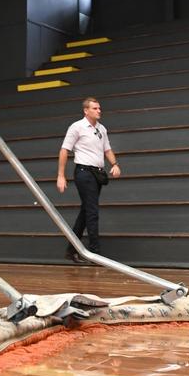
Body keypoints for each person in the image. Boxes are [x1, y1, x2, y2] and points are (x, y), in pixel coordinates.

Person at [56, 97, 121, 264]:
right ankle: (95, 253)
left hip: (97, 173)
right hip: (84, 172)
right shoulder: (77, 127)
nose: (99, 110)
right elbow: (64, 150)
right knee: (92, 212)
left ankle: (71, 250)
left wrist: (115, 164)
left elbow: (107, 149)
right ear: (86, 110)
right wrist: (61, 175)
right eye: (95, 108)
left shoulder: (102, 129)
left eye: (99, 108)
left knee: (86, 212)